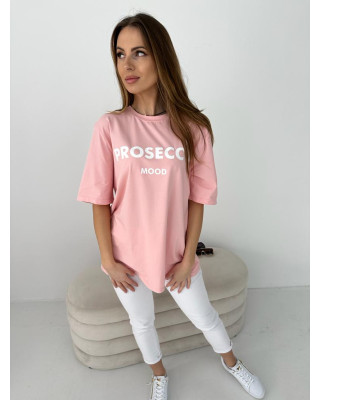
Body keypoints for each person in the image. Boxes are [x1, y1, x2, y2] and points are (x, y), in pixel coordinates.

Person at [77, 12, 266, 400]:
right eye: (120, 54)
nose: (127, 65)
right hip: (125, 256)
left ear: (161, 56)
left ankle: (232, 362)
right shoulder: (109, 127)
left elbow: (198, 199)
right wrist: (108, 260)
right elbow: (99, 199)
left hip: (175, 255)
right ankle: (159, 375)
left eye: (139, 53)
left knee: (204, 315)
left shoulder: (193, 127)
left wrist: (186, 259)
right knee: (142, 322)